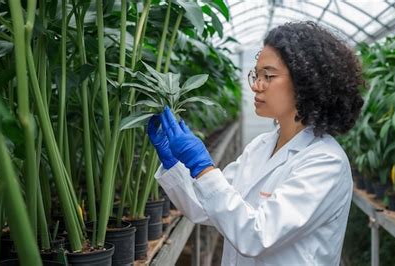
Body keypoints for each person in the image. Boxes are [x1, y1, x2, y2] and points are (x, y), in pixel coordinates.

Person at [147, 21, 364, 265]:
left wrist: (203, 167)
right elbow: (205, 208)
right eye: (256, 75)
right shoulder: (261, 145)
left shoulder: (326, 162)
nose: (255, 86)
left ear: (305, 82)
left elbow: (257, 236)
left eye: (268, 76)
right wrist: (174, 164)